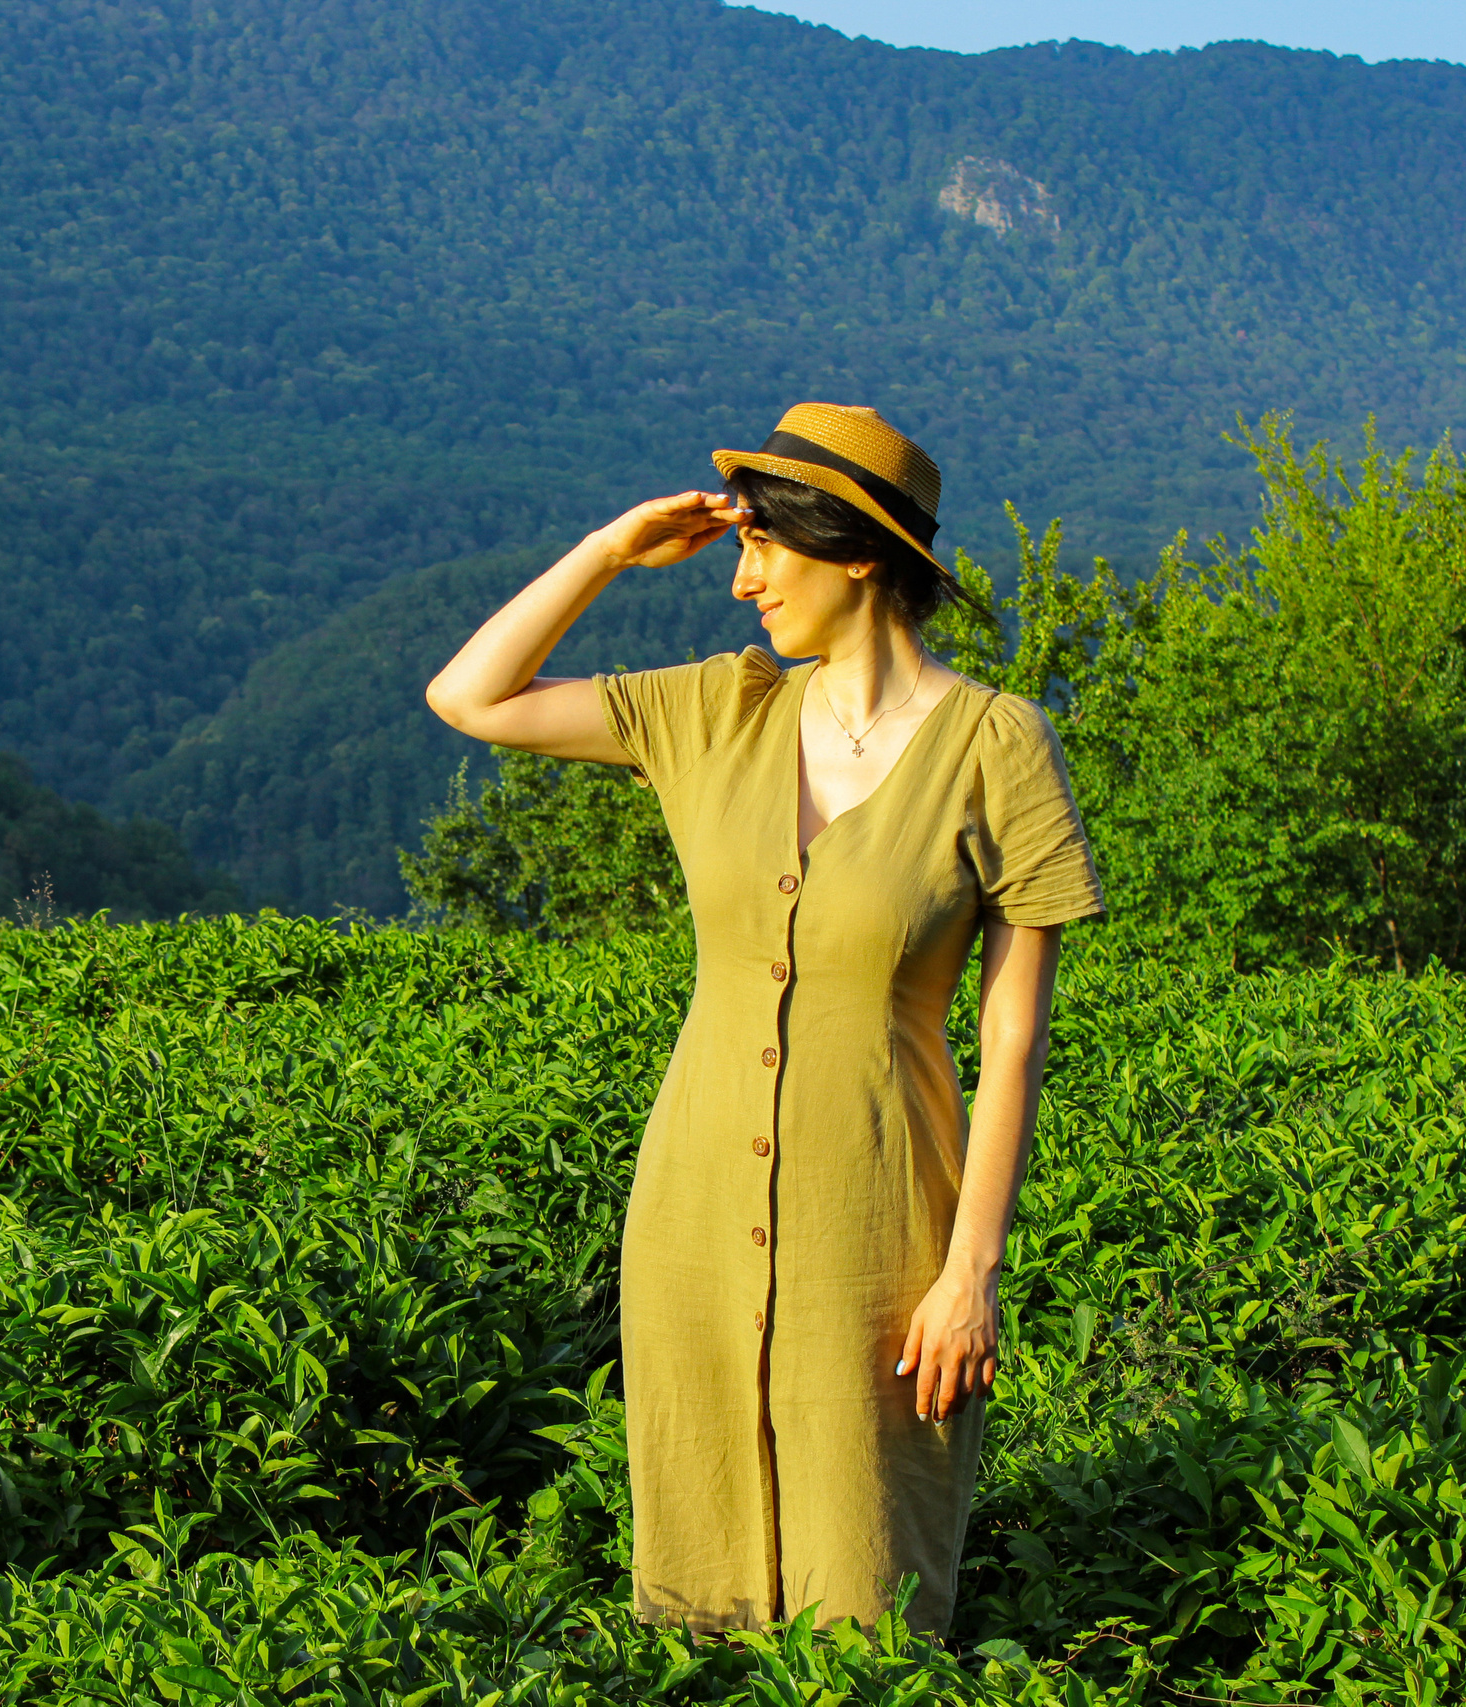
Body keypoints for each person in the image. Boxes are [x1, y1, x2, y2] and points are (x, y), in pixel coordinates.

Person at [423, 404, 1103, 1635]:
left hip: (882, 1223)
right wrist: (611, 548)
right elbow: (470, 697)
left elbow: (1012, 1042)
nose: (740, 581)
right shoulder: (714, 715)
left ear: (854, 554)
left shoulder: (998, 745)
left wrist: (971, 1272)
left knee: (865, 1587)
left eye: (764, 551)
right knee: (699, 1587)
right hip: (689, 1212)